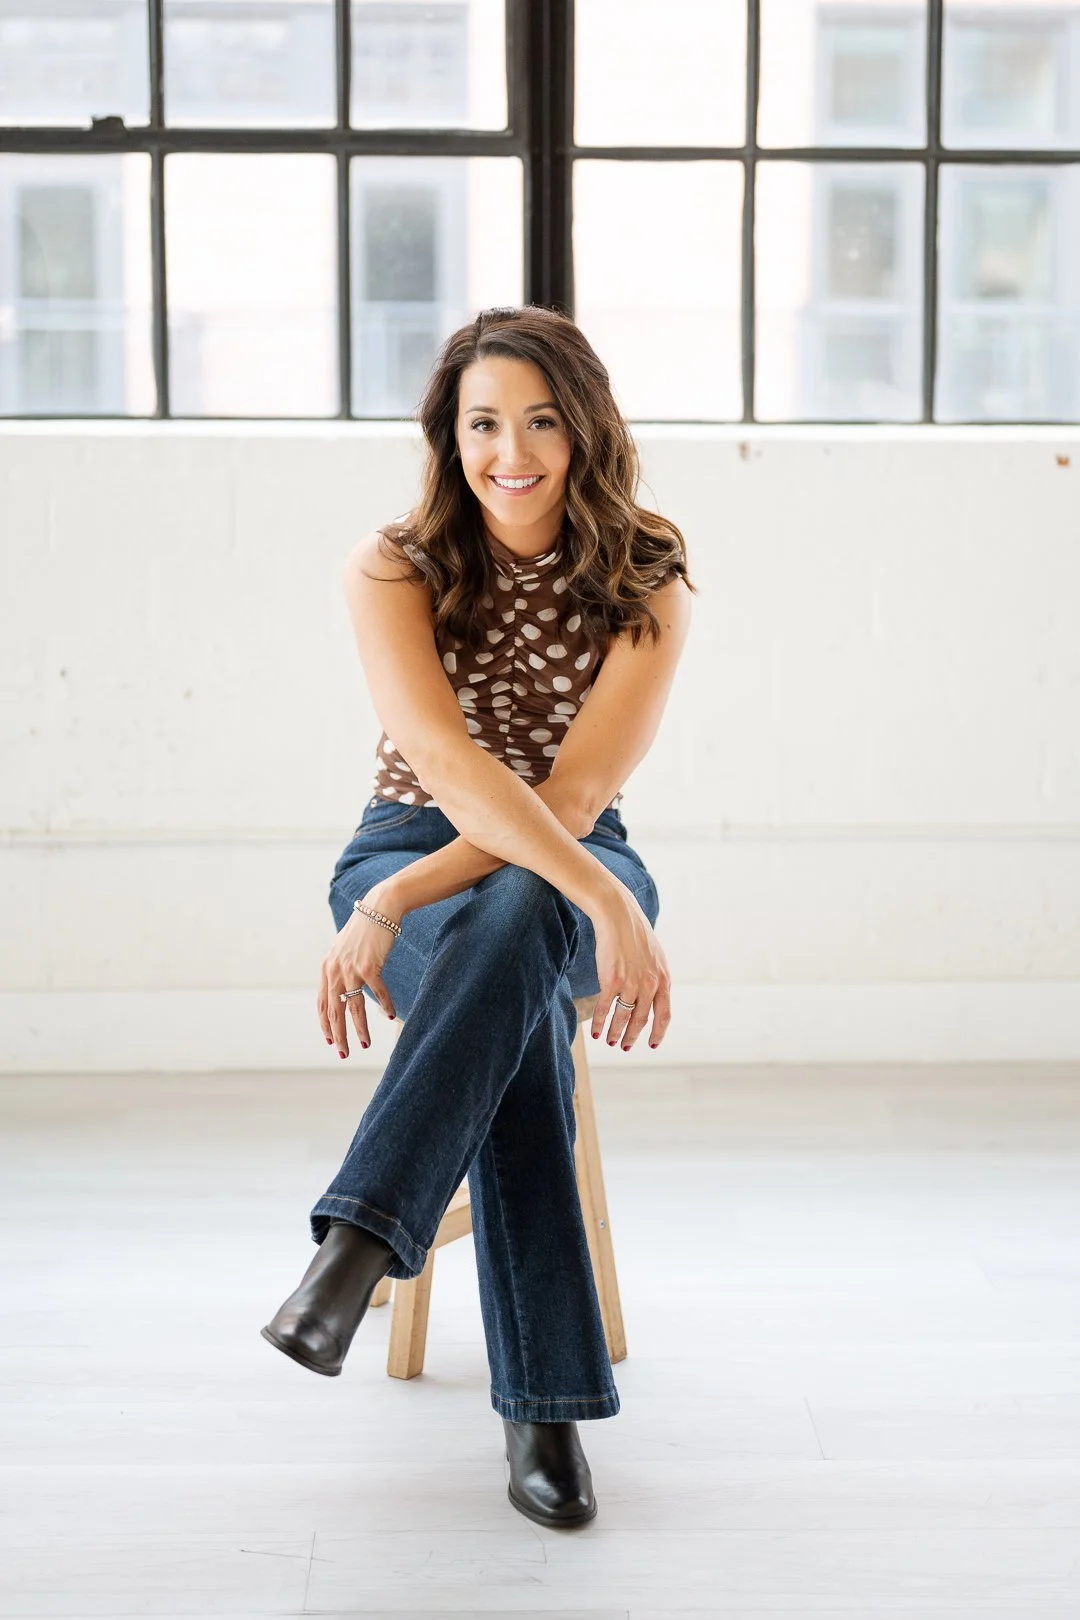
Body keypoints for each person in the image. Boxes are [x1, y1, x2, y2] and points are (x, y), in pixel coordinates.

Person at [261, 304, 695, 1529]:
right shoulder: (395, 563)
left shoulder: (647, 569)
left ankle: (355, 1247)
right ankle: (544, 1411)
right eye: (483, 424)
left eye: (542, 422)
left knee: (521, 900)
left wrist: (587, 887)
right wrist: (397, 885)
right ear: (449, 438)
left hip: (572, 855)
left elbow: (575, 798)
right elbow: (449, 768)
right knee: (519, 996)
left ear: (586, 431)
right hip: (411, 842)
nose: (512, 452)